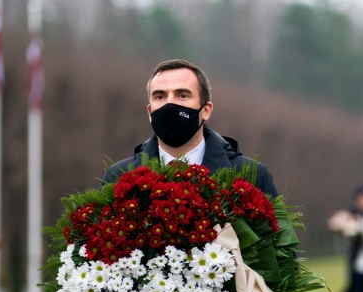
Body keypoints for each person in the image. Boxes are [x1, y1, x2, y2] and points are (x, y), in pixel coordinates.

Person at [102, 59, 279, 198]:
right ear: (149, 112)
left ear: (206, 110)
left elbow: (279, 243)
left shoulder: (251, 177)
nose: (170, 103)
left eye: (183, 95)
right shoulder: (118, 178)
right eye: (160, 96)